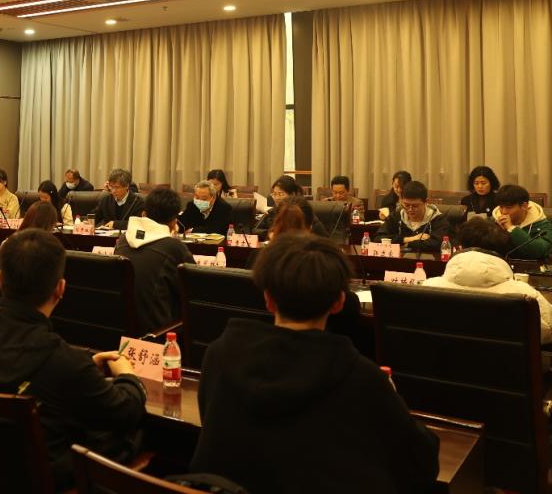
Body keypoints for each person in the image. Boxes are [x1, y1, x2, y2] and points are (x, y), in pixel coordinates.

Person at [189, 233, 439, 493]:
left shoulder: (219, 354)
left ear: (268, 299)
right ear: (339, 302)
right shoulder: (362, 376)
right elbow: (421, 461)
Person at [0, 229, 146, 490]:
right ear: (60, 289)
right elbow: (125, 412)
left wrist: (85, 367)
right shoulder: (62, 361)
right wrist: (128, 375)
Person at [424, 219, 552, 342]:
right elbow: (547, 332)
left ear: (460, 247)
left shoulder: (428, 287)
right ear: (501, 250)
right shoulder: (524, 294)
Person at [114, 187, 194, 334]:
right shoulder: (174, 247)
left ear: (144, 214)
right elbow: (193, 291)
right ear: (174, 221)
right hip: (160, 332)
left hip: (123, 328)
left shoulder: (123, 240)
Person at [375, 181, 451, 253]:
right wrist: (410, 239)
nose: (410, 209)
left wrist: (407, 244)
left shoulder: (438, 219)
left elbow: (438, 244)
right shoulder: (396, 216)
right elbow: (378, 238)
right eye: (406, 205)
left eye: (415, 206)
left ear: (426, 202)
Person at [255, 177, 327, 238]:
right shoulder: (272, 211)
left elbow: (323, 237)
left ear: (293, 194)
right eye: (274, 194)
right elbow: (256, 230)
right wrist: (269, 234)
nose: (276, 198)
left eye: (280, 194)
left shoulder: (304, 211)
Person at [493, 184, 552, 260]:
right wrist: (497, 231)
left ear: (524, 206)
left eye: (509, 207)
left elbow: (538, 251)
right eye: (501, 207)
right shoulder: (494, 222)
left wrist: (512, 229)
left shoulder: (544, 226)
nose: (503, 212)